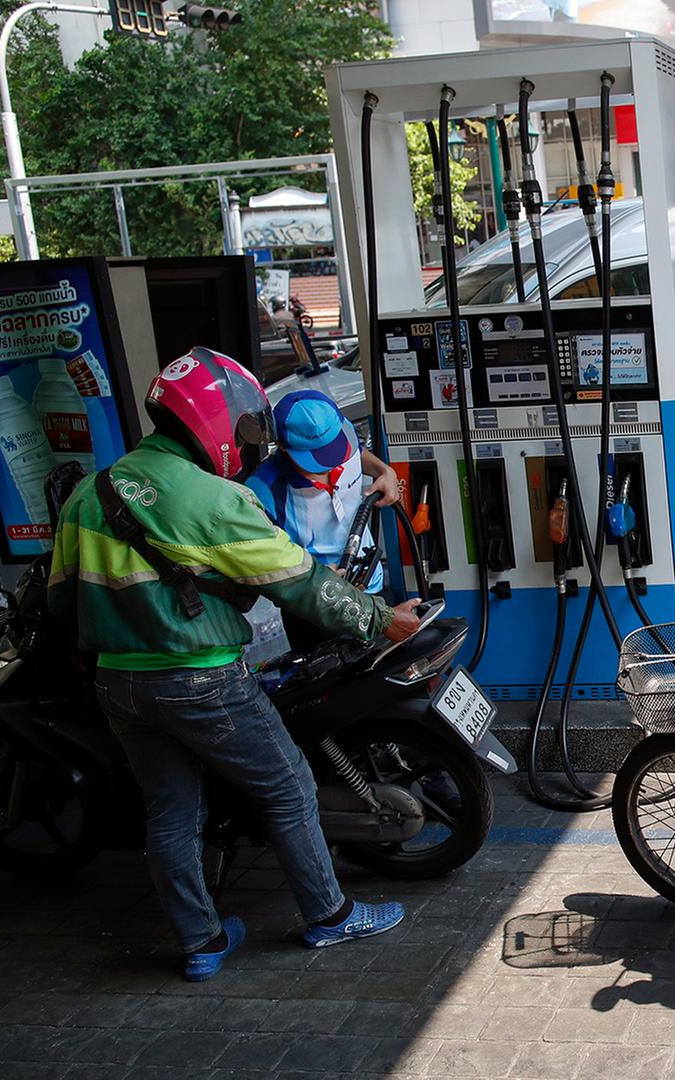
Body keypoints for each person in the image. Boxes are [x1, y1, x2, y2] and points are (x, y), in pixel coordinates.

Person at [47, 348, 425, 981]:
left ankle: (201, 942)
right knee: (288, 786)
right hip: (203, 679)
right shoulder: (214, 499)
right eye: (244, 425)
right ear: (215, 422)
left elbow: (63, 598)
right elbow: (300, 582)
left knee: (171, 812)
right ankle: (329, 917)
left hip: (119, 681)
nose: (249, 440)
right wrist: (382, 620)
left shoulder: (92, 490)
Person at [246, 389, 401, 606]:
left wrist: (385, 471)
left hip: (372, 585)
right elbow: (262, 563)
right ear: (281, 445)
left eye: (333, 449)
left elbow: (357, 452)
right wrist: (311, 577)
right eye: (317, 458)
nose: (333, 463)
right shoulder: (262, 491)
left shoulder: (342, 438)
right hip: (318, 606)